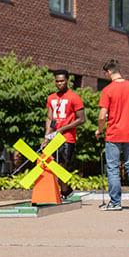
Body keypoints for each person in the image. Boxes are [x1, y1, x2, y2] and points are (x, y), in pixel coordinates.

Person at [96, 59, 129, 212]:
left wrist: (99, 129)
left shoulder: (107, 90)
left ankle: (116, 202)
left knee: (113, 168)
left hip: (114, 134)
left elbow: (102, 116)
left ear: (109, 72)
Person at [44, 69, 85, 199]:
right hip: (54, 137)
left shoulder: (74, 97)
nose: (59, 83)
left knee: (63, 166)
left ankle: (64, 191)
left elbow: (81, 119)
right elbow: (51, 119)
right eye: (57, 81)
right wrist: (47, 136)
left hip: (67, 138)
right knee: (51, 164)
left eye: (62, 81)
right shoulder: (51, 98)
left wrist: (63, 129)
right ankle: (65, 191)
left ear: (67, 80)